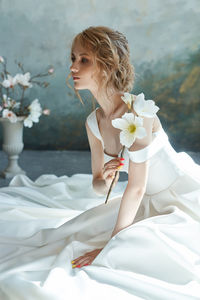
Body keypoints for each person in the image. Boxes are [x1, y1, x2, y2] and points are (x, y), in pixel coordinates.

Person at [0, 26, 200, 300]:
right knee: (67, 237)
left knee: (132, 253)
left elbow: (137, 187)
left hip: (180, 198)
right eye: (72, 58)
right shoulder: (93, 123)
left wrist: (113, 243)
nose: (73, 66)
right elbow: (96, 186)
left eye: (84, 59)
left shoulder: (138, 113)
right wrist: (104, 179)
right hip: (145, 202)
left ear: (108, 65)